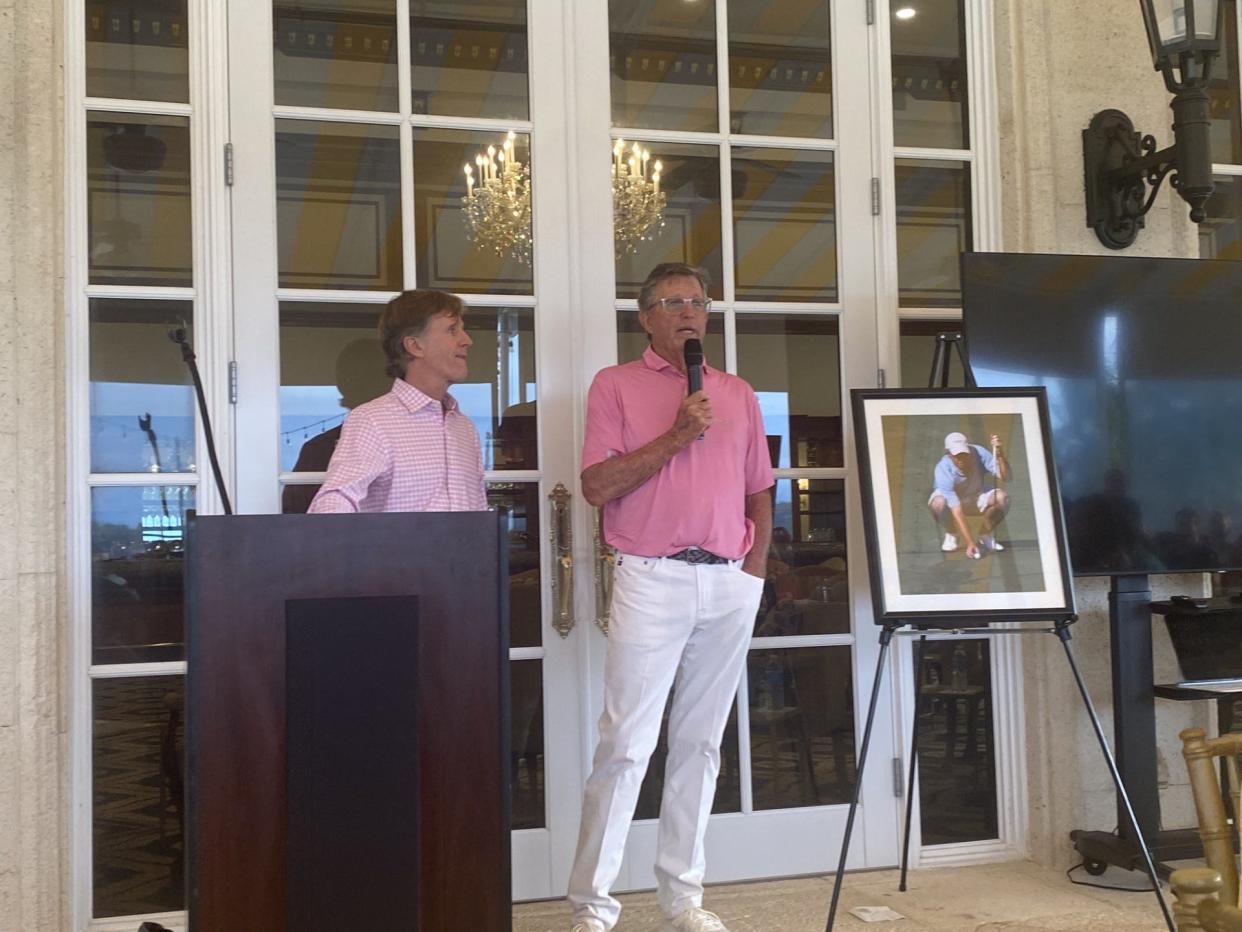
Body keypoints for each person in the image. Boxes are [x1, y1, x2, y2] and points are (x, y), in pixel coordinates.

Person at [568, 263, 774, 932]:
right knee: (626, 742)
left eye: (698, 301)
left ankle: (682, 898)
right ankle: (593, 907)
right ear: (646, 317)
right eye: (673, 302)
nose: (689, 311)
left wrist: (755, 571)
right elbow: (598, 485)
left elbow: (759, 491)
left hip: (728, 580)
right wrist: (677, 435)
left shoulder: (738, 393)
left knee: (701, 743)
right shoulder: (614, 386)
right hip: (651, 577)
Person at [307, 289, 486, 513]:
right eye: (452, 330)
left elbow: (478, 511)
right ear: (414, 346)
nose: (467, 340)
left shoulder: (465, 428)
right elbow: (337, 499)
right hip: (397, 550)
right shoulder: (372, 421)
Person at [928, 430, 1010, 559]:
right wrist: (970, 543)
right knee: (937, 503)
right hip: (952, 504)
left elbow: (1005, 477)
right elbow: (957, 510)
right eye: (957, 455)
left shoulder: (979, 452)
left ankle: (985, 535)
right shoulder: (942, 469)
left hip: (975, 495)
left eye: (964, 454)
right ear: (947, 453)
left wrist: (1000, 453)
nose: (961, 459)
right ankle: (952, 534)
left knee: (1002, 498)